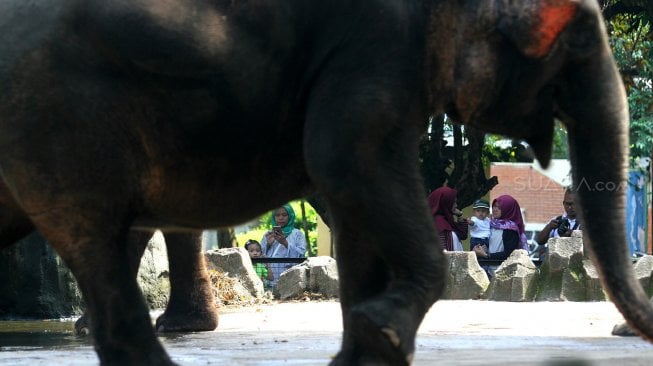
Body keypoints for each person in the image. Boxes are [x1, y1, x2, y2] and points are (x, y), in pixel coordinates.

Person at [473, 195, 529, 278]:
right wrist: (481, 248)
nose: (495, 209)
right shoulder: (491, 224)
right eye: (494, 206)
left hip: (503, 273)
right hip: (488, 270)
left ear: (507, 209)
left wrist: (486, 256)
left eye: (499, 207)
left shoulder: (510, 229)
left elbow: (510, 253)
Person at [260, 204, 307, 287]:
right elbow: (259, 254)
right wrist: (268, 244)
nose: (281, 218)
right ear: (274, 217)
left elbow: (301, 254)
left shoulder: (298, 234)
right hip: (270, 277)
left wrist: (285, 243)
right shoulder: (268, 234)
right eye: (277, 215)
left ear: (290, 216)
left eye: (284, 215)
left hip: (291, 277)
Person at [428, 187, 468, 251]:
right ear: (445, 203)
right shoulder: (439, 224)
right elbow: (443, 254)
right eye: (453, 202)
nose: (456, 205)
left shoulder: (447, 220)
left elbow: (463, 235)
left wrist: (460, 215)